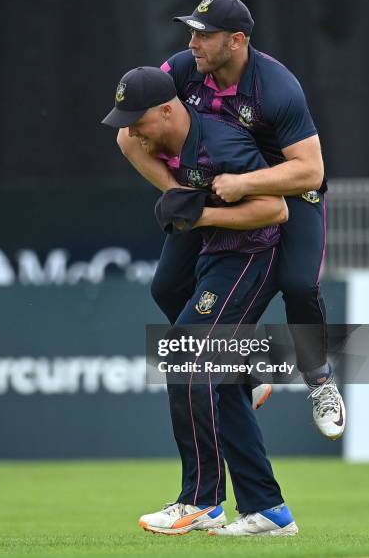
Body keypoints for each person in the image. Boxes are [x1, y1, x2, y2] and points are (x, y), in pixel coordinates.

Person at [117, 0, 345, 440]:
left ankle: (319, 378)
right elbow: (129, 134)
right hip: (214, 187)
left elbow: (310, 170)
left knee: (298, 284)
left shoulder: (277, 87)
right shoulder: (182, 68)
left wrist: (246, 185)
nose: (193, 42)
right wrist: (180, 194)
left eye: (205, 35)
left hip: (287, 193)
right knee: (166, 286)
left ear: (237, 40)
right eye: (192, 32)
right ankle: (241, 362)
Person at [102, 66, 298, 537]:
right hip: (214, 252)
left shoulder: (224, 145)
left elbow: (277, 208)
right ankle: (268, 510)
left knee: (187, 360)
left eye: (138, 119)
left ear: (168, 111)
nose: (131, 130)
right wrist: (177, 194)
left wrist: (202, 212)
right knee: (211, 369)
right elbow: (126, 143)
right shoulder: (149, 137)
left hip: (251, 254)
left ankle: (202, 501)